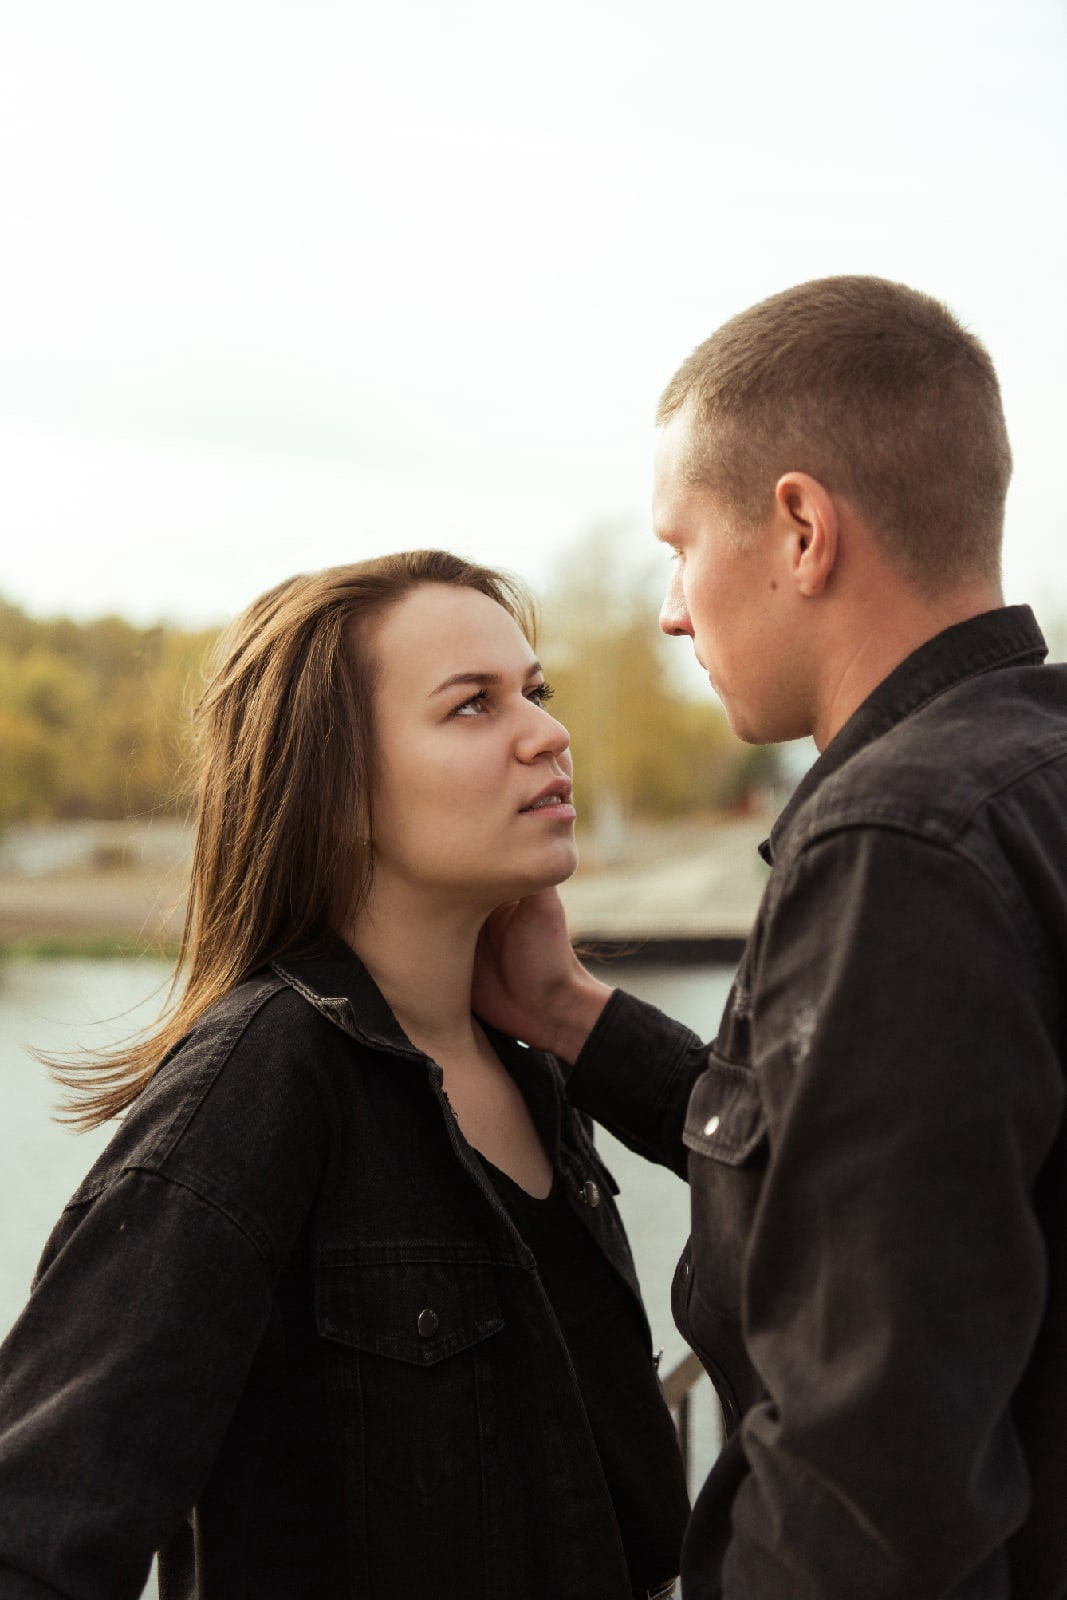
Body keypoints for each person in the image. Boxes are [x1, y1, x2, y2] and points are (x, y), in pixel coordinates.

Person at [473, 277, 1067, 1599]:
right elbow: (876, 1177)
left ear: (800, 529)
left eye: (678, 546)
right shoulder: (1029, 778)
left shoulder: (897, 844)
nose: (672, 610)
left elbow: (870, 1470)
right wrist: (570, 1015)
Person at [0, 549, 689, 1600]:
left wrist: (570, 1013)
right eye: (472, 705)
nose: (546, 734)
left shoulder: (525, 1064)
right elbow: (36, 1525)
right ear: (336, 793)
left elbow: (843, 1190)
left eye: (535, 692)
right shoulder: (262, 1081)